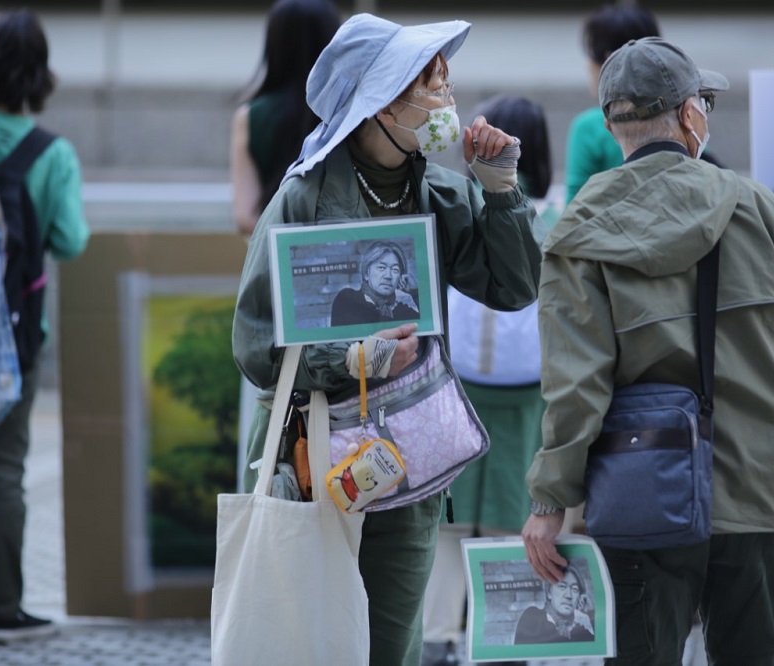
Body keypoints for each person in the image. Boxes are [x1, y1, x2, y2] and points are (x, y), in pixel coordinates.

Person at [232, 13, 542, 666]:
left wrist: (503, 192)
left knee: (391, 644)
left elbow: (514, 288)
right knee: (314, 641)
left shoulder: (443, 191)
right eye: (425, 84)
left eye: (444, 82)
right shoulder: (301, 197)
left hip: (410, 463)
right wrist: (349, 358)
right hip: (314, 460)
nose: (444, 99)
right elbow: (255, 344)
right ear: (375, 103)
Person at [522, 36, 774, 665]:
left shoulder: (578, 230)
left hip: (641, 496)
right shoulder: (757, 208)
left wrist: (551, 499)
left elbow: (576, 383)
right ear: (691, 115)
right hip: (753, 488)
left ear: (613, 126)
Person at [0, 8, 90, 643]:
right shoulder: (52, 153)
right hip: (15, 338)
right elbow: (68, 240)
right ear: (41, 72)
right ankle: (5, 610)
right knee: (5, 473)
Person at [421, 94, 555, 666]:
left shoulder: (464, 206)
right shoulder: (558, 212)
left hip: (460, 383)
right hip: (533, 392)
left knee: (449, 522)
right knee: (509, 518)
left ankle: (437, 639)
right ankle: (503, 643)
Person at [230, 0, 341, 235]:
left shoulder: (251, 116)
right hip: (351, 252)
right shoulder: (349, 109)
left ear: (274, 42)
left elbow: (245, 216)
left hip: (278, 258)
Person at [564, 4, 660, 205]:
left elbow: (573, 213)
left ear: (609, 60)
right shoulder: (682, 115)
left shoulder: (590, 127)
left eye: (590, 54)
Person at [330, 239, 419, 326]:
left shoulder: (404, 312)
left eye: (395, 269)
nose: (388, 276)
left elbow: (428, 324)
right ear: (366, 274)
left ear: (400, 277)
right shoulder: (348, 300)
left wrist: (415, 293)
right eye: (381, 267)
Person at [513, 564, 595, 645]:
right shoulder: (533, 618)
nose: (569, 595)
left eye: (575, 589)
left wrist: (591, 613)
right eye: (562, 586)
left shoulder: (582, 626)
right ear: (549, 592)